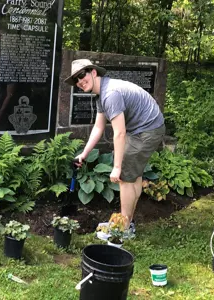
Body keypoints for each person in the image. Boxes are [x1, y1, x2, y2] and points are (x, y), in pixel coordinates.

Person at [64, 59, 165, 232]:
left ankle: (123, 228)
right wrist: (84, 154)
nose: (80, 82)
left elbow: (119, 133)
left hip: (147, 130)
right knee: (134, 176)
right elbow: (98, 126)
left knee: (125, 177)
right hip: (144, 129)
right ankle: (127, 223)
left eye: (82, 75)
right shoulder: (101, 94)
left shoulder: (110, 94)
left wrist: (117, 167)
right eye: (76, 80)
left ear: (93, 72)